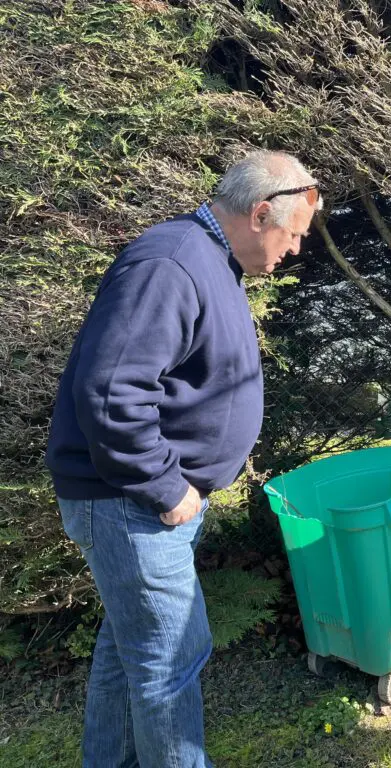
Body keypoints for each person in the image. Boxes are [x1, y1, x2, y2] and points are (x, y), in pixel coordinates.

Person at [45, 150, 322, 767]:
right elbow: (113, 390)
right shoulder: (171, 263)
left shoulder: (210, 260)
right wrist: (168, 488)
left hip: (135, 504)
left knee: (128, 658)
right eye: (294, 234)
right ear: (259, 214)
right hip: (131, 504)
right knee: (169, 666)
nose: (296, 250)